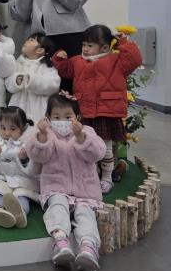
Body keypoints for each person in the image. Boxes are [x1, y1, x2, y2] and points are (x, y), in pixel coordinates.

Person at [52, 24, 142, 193]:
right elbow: (65, 71)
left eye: (90, 45)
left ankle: (107, 178)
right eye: (83, 45)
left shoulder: (117, 61)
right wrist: (60, 58)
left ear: (105, 47)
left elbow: (135, 59)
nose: (85, 49)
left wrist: (123, 42)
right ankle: (91, 176)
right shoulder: (77, 61)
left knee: (105, 147)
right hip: (85, 111)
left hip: (105, 112)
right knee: (86, 146)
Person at [25, 93, 106, 271]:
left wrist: (80, 137)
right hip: (56, 188)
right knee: (57, 207)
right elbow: (36, 155)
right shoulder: (46, 134)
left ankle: (88, 248)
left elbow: (98, 153)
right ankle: (61, 242)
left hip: (86, 191)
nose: (62, 121)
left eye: (68, 117)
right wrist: (42, 136)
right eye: (56, 117)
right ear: (48, 117)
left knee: (85, 214)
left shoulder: (87, 132)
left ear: (77, 117)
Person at [0, 106, 39, 229]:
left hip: (22, 181)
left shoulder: (29, 143)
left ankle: (20, 213)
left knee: (22, 196)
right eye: (3, 128)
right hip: (1, 178)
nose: (7, 133)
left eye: (13, 129)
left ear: (22, 128)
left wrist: (24, 159)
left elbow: (36, 167)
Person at [6, 33, 61, 123]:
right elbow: (8, 85)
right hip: (18, 108)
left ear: (40, 50)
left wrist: (31, 81)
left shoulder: (46, 66)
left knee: (37, 129)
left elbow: (53, 85)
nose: (26, 41)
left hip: (39, 110)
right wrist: (16, 81)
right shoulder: (17, 63)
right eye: (28, 39)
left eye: (31, 40)